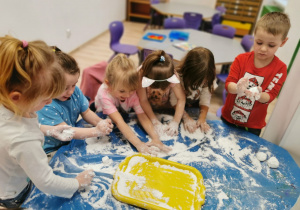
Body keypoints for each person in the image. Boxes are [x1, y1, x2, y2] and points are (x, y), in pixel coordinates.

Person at [0, 36, 94, 208]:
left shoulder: (8, 102)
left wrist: (47, 129)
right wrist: (77, 182)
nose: (50, 103)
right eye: (45, 99)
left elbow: (22, 124)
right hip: (15, 192)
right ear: (17, 97)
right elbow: (47, 183)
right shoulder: (22, 140)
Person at [221, 12, 291, 136]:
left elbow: (270, 96)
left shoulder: (280, 69)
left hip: (252, 125)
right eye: (259, 43)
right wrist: (237, 88)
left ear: (283, 42)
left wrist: (258, 95)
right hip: (228, 117)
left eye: (271, 45)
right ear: (254, 35)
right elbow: (229, 84)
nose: (263, 49)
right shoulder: (241, 59)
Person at [37, 47, 113, 155]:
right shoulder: (46, 105)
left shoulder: (74, 91)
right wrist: (96, 131)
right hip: (51, 150)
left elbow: (86, 112)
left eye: (74, 84)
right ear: (49, 83)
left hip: (70, 140)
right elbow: (66, 131)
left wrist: (100, 123)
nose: (71, 91)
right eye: (65, 88)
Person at [94, 54, 170, 155]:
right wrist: (139, 144)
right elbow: (119, 122)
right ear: (108, 84)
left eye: (131, 90)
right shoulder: (104, 94)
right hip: (102, 115)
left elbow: (142, 116)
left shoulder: (131, 93)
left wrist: (156, 138)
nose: (127, 95)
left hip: (122, 111)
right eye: (122, 91)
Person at [137, 50, 186, 136]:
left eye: (163, 87)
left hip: (164, 105)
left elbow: (181, 98)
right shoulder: (140, 75)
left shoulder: (171, 75)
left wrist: (175, 122)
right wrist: (154, 121)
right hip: (145, 106)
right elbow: (143, 99)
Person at [171, 47, 217, 134]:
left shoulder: (209, 77)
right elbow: (174, 100)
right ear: (188, 72)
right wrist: (185, 117)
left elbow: (205, 99)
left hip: (195, 106)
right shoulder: (178, 76)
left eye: (204, 80)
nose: (202, 82)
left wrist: (202, 118)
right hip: (176, 107)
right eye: (197, 80)